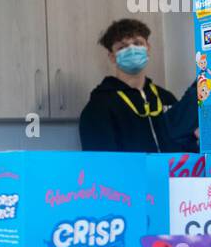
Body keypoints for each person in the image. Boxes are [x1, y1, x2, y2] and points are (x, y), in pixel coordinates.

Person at [78, 18, 192, 152]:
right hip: (129, 173)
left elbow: (185, 144)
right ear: (112, 57)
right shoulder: (98, 107)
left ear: (148, 48)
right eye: (122, 47)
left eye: (138, 43)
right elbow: (102, 165)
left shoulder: (166, 98)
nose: (132, 50)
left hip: (172, 173)